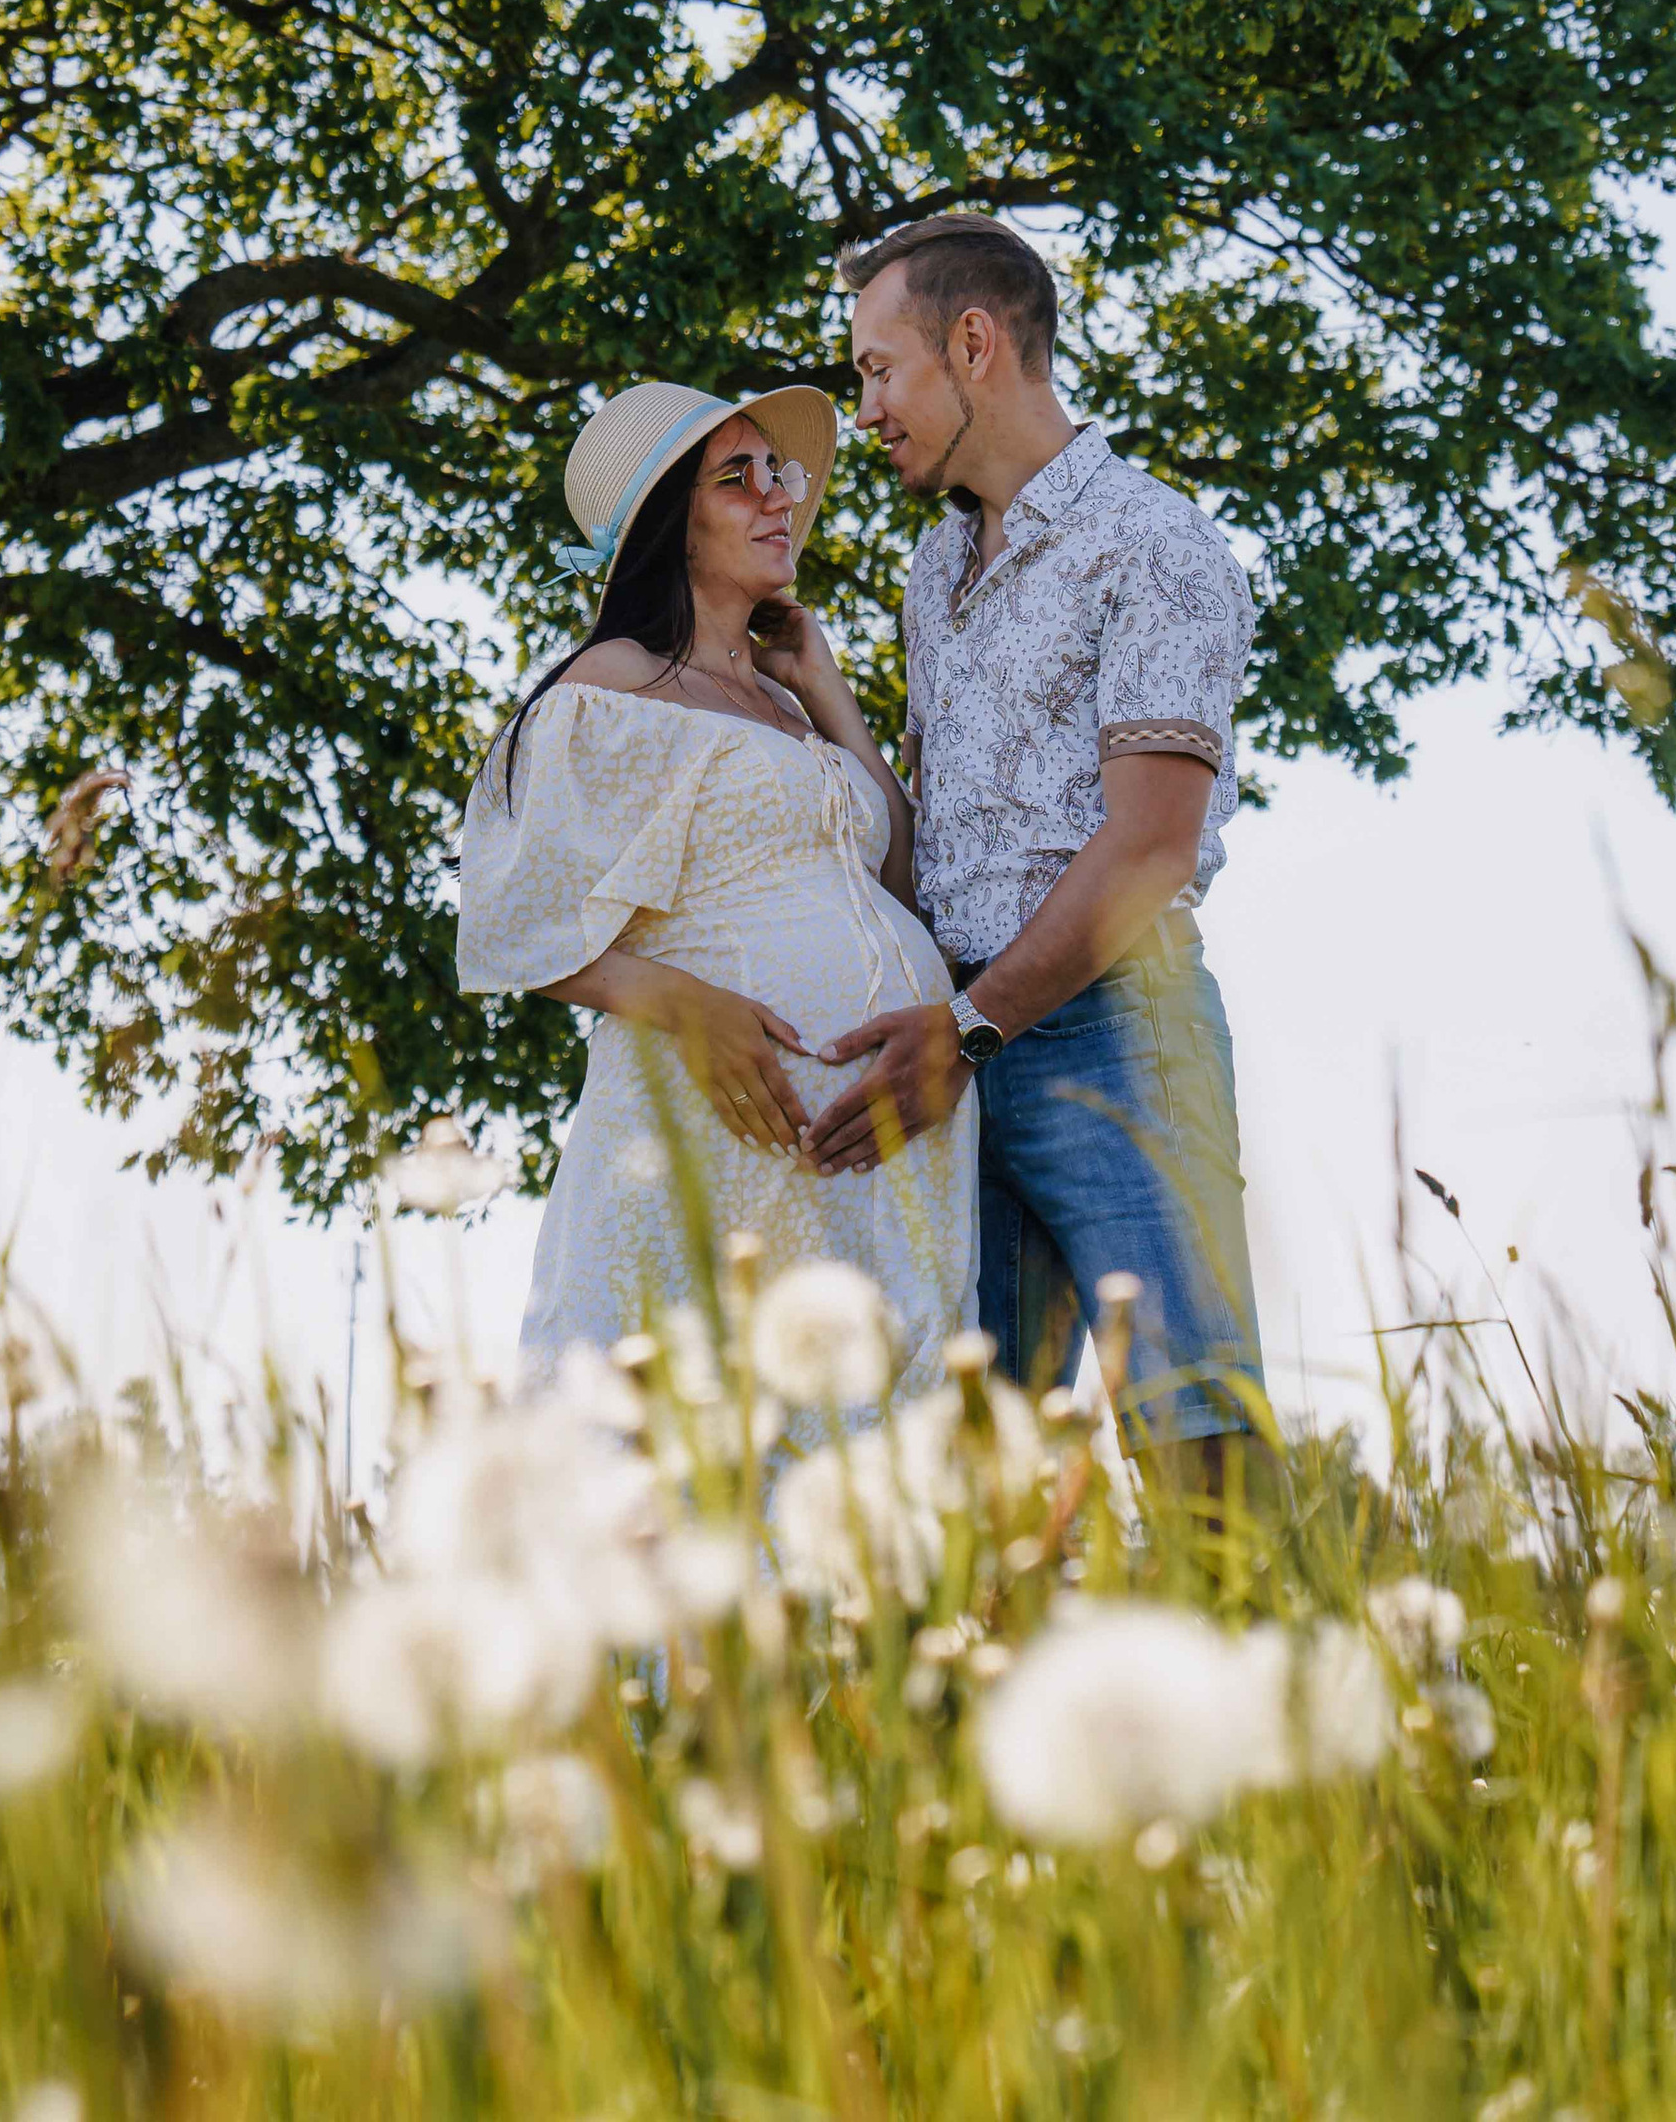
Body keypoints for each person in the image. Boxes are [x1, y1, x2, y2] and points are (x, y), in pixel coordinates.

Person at [804, 216, 1270, 1482]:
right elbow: (931, 841)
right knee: (963, 1479)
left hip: (1118, 1035)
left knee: (1196, 1442)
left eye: (875, 369)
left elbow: (1151, 844)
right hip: (956, 1055)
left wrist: (972, 1028)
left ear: (973, 344)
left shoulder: (1151, 542)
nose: (868, 409)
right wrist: (826, 696)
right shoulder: (931, 567)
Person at [453, 373, 975, 1397]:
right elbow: (510, 919)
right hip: (709, 1128)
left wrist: (823, 686)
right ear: (671, 529)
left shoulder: (789, 707)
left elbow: (905, 885)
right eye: (737, 478)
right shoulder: (612, 685)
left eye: (773, 469)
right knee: (694, 1444)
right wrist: (683, 1004)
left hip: (882, 1152)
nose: (780, 493)